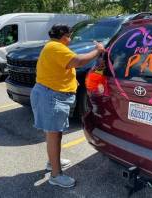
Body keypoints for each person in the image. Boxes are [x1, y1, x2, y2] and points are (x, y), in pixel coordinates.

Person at [30, 24, 105, 188]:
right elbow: (78, 61)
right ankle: (56, 175)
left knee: (54, 133)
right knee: (54, 135)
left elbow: (64, 68)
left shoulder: (52, 47)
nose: (71, 39)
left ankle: (52, 162)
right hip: (52, 96)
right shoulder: (56, 47)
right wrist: (98, 50)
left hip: (51, 94)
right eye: (70, 35)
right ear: (64, 35)